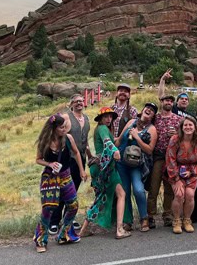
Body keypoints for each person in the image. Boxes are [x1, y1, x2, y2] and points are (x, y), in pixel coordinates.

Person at [33, 113, 87, 253]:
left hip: (66, 175)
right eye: (61, 127)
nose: (64, 129)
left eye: (65, 127)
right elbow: (38, 159)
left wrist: (82, 171)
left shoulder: (68, 139)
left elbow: (76, 153)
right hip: (50, 177)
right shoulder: (44, 142)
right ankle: (40, 240)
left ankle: (65, 234)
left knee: (73, 205)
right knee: (48, 209)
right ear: (54, 128)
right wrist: (50, 164)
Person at [78, 107, 131, 240]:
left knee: (101, 197)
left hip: (100, 168)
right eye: (105, 116)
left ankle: (83, 230)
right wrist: (115, 151)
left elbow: (111, 140)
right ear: (100, 118)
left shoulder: (103, 130)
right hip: (106, 168)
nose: (108, 119)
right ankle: (119, 229)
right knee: (121, 194)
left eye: (110, 117)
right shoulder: (102, 128)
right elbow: (108, 142)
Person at [49, 94, 92, 235]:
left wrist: (89, 156)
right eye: (76, 101)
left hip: (81, 158)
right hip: (68, 158)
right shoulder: (67, 117)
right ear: (71, 104)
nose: (80, 103)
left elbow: (84, 141)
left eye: (81, 101)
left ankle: (69, 217)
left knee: (73, 191)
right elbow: (54, 124)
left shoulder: (86, 118)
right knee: (63, 190)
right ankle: (54, 221)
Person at [116, 102, 158, 232]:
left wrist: (137, 137)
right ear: (143, 110)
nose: (149, 110)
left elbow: (150, 150)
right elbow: (118, 140)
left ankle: (144, 218)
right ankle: (127, 221)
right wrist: (110, 147)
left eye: (152, 110)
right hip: (121, 162)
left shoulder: (152, 129)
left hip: (137, 165)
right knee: (125, 192)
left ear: (153, 115)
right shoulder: (131, 122)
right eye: (147, 108)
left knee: (139, 190)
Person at [166, 117, 197, 234]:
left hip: (193, 172)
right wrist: (176, 178)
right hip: (175, 171)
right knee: (179, 194)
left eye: (190, 125)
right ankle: (176, 220)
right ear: (181, 127)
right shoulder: (175, 139)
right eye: (185, 125)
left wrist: (193, 171)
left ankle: (187, 220)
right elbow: (170, 159)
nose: (188, 127)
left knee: (189, 195)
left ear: (195, 127)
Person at [147, 94, 181, 228]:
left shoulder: (178, 119)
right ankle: (150, 216)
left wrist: (176, 136)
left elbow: (184, 136)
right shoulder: (155, 118)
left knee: (169, 189)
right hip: (158, 157)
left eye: (171, 101)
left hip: (172, 158)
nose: (169, 102)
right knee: (153, 188)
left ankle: (167, 214)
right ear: (161, 102)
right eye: (166, 100)